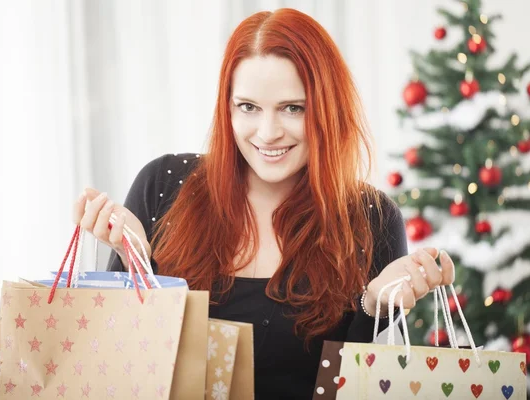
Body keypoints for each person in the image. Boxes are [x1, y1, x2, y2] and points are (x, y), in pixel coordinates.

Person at [73, 8, 455, 399]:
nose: (268, 133)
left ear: (327, 108)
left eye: (293, 108)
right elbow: (121, 366)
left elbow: (350, 390)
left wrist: (373, 305)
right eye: (248, 107)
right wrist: (135, 260)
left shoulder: (371, 219)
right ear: (227, 107)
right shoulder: (163, 186)